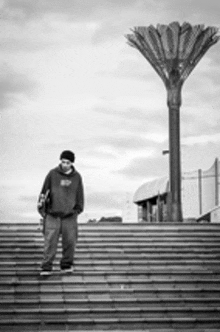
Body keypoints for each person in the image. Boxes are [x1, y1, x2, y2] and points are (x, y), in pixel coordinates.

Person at [37, 150, 84, 276]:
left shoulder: (77, 177)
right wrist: (42, 209)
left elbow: (80, 195)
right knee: (50, 241)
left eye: (67, 163)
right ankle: (46, 267)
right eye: (63, 162)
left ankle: (66, 265)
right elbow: (43, 192)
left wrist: (77, 210)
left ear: (72, 163)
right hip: (53, 215)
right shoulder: (52, 174)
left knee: (70, 242)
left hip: (69, 216)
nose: (64, 165)